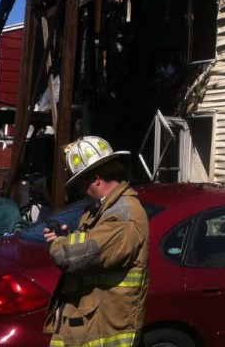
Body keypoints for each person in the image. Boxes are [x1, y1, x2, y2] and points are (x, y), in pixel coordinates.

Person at [43, 136, 149, 347]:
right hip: (90, 325)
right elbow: (96, 244)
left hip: (105, 332)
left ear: (96, 179)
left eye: (81, 181)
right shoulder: (102, 210)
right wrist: (67, 237)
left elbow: (74, 258)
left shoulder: (122, 215)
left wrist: (59, 245)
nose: (80, 189)